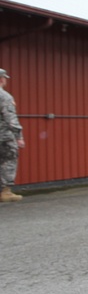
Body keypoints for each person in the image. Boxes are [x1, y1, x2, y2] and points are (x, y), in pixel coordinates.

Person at [0, 68, 25, 203]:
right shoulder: (4, 96)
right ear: (2, 79)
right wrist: (19, 137)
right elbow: (11, 118)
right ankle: (6, 192)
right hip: (3, 136)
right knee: (8, 161)